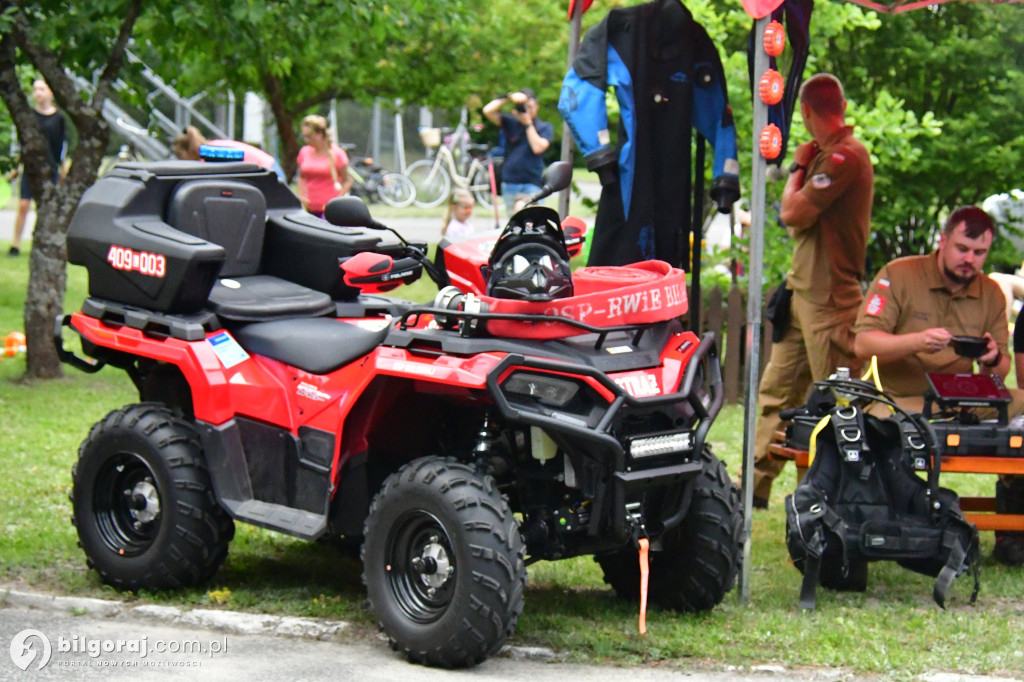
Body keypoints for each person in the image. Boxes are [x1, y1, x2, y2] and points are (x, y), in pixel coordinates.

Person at [855, 206, 1024, 565]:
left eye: (979, 253)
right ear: (943, 241)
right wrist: (916, 341)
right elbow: (864, 344)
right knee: (889, 421)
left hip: (960, 397)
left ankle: (1014, 519)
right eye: (962, 248)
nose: (970, 260)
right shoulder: (899, 275)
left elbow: (1002, 365)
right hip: (901, 396)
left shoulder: (991, 293)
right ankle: (891, 517)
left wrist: (993, 358)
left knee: (1021, 401)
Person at [751, 73, 874, 509]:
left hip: (831, 303)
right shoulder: (829, 154)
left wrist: (798, 168)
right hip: (801, 294)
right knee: (775, 393)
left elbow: (793, 213)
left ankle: (840, 491)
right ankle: (755, 487)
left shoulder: (845, 158)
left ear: (805, 113)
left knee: (838, 400)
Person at [8, 78, 66, 257]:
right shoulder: (30, 115)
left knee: (45, 209)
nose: (37, 93)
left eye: (41, 89)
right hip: (30, 167)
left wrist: (63, 167)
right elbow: (23, 142)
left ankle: (40, 243)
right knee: (23, 205)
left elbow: (61, 145)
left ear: (50, 92)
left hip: (50, 168)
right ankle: (15, 244)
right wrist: (17, 166)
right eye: (35, 90)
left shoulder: (58, 118)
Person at [482, 88, 553, 215]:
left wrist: (528, 124)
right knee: (514, 223)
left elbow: (538, 148)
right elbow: (487, 111)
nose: (528, 111)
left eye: (530, 107)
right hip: (510, 182)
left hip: (532, 182)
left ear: (537, 105)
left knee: (535, 221)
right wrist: (509, 97)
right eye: (525, 107)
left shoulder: (544, 127)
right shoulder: (511, 123)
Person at [171, 125, 285, 180]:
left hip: (269, 171)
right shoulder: (211, 148)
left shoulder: (210, 155)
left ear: (187, 150)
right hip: (268, 168)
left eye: (180, 155)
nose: (180, 159)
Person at [295, 115, 352, 218]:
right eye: (304, 136)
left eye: (309, 136)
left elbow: (347, 180)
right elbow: (301, 177)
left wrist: (337, 201)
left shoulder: (337, 153)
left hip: (330, 210)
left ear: (319, 134)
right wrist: (302, 195)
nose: (306, 140)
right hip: (311, 208)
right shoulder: (305, 152)